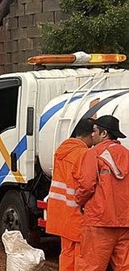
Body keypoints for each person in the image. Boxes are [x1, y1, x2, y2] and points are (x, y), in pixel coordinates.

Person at [75, 115, 129, 270]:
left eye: (94, 131)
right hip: (125, 222)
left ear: (103, 134)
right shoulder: (127, 154)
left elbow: (85, 186)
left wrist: (78, 202)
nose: (92, 135)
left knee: (90, 266)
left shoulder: (93, 154)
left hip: (99, 222)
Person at [46, 118, 95, 271]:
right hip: (76, 212)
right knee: (80, 254)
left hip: (60, 212)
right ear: (91, 135)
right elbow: (86, 185)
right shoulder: (83, 154)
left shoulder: (62, 150)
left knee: (66, 252)